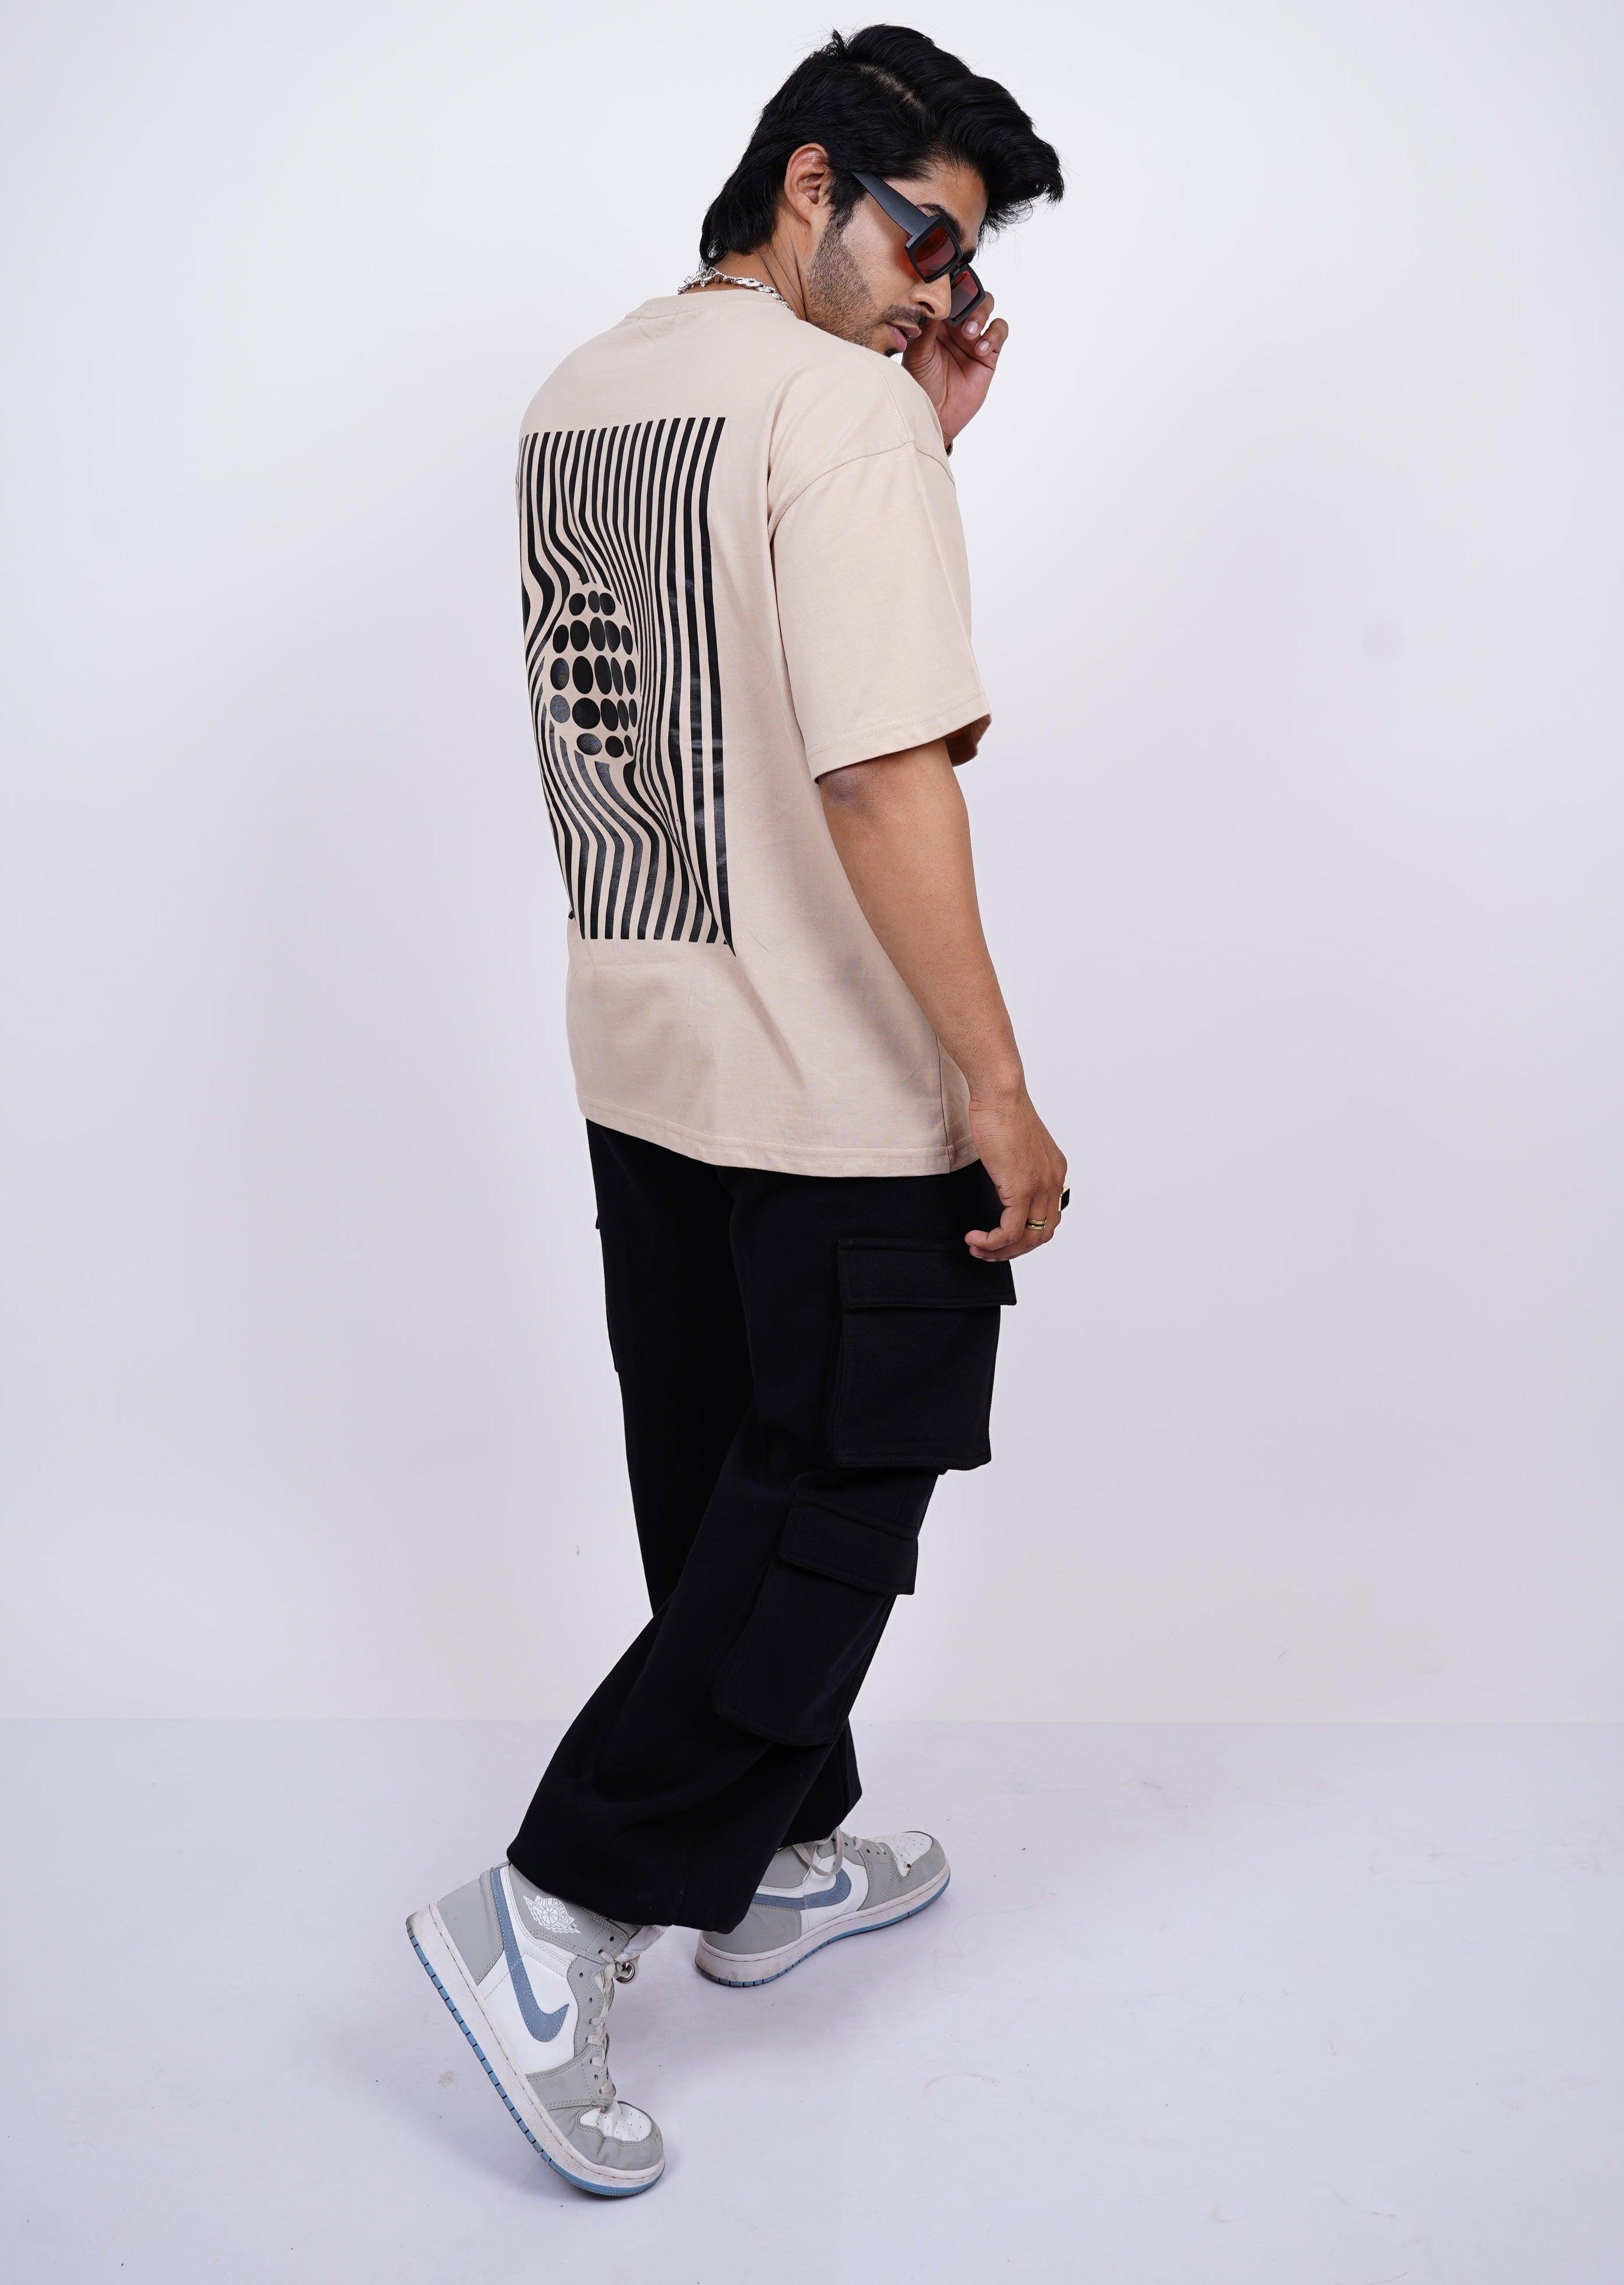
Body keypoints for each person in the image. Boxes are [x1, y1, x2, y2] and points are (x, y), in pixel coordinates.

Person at [406, 24, 1067, 2196]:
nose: (941, 293)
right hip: (826, 1071)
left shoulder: (584, 388)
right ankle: (555, 1910)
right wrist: (993, 1086)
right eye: (924, 240)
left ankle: (773, 1849)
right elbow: (873, 769)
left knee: (716, 1483)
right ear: (809, 183)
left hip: (646, 1046)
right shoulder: (829, 412)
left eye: (960, 264)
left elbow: (720, 657)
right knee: (832, 1498)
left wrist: (915, 437)